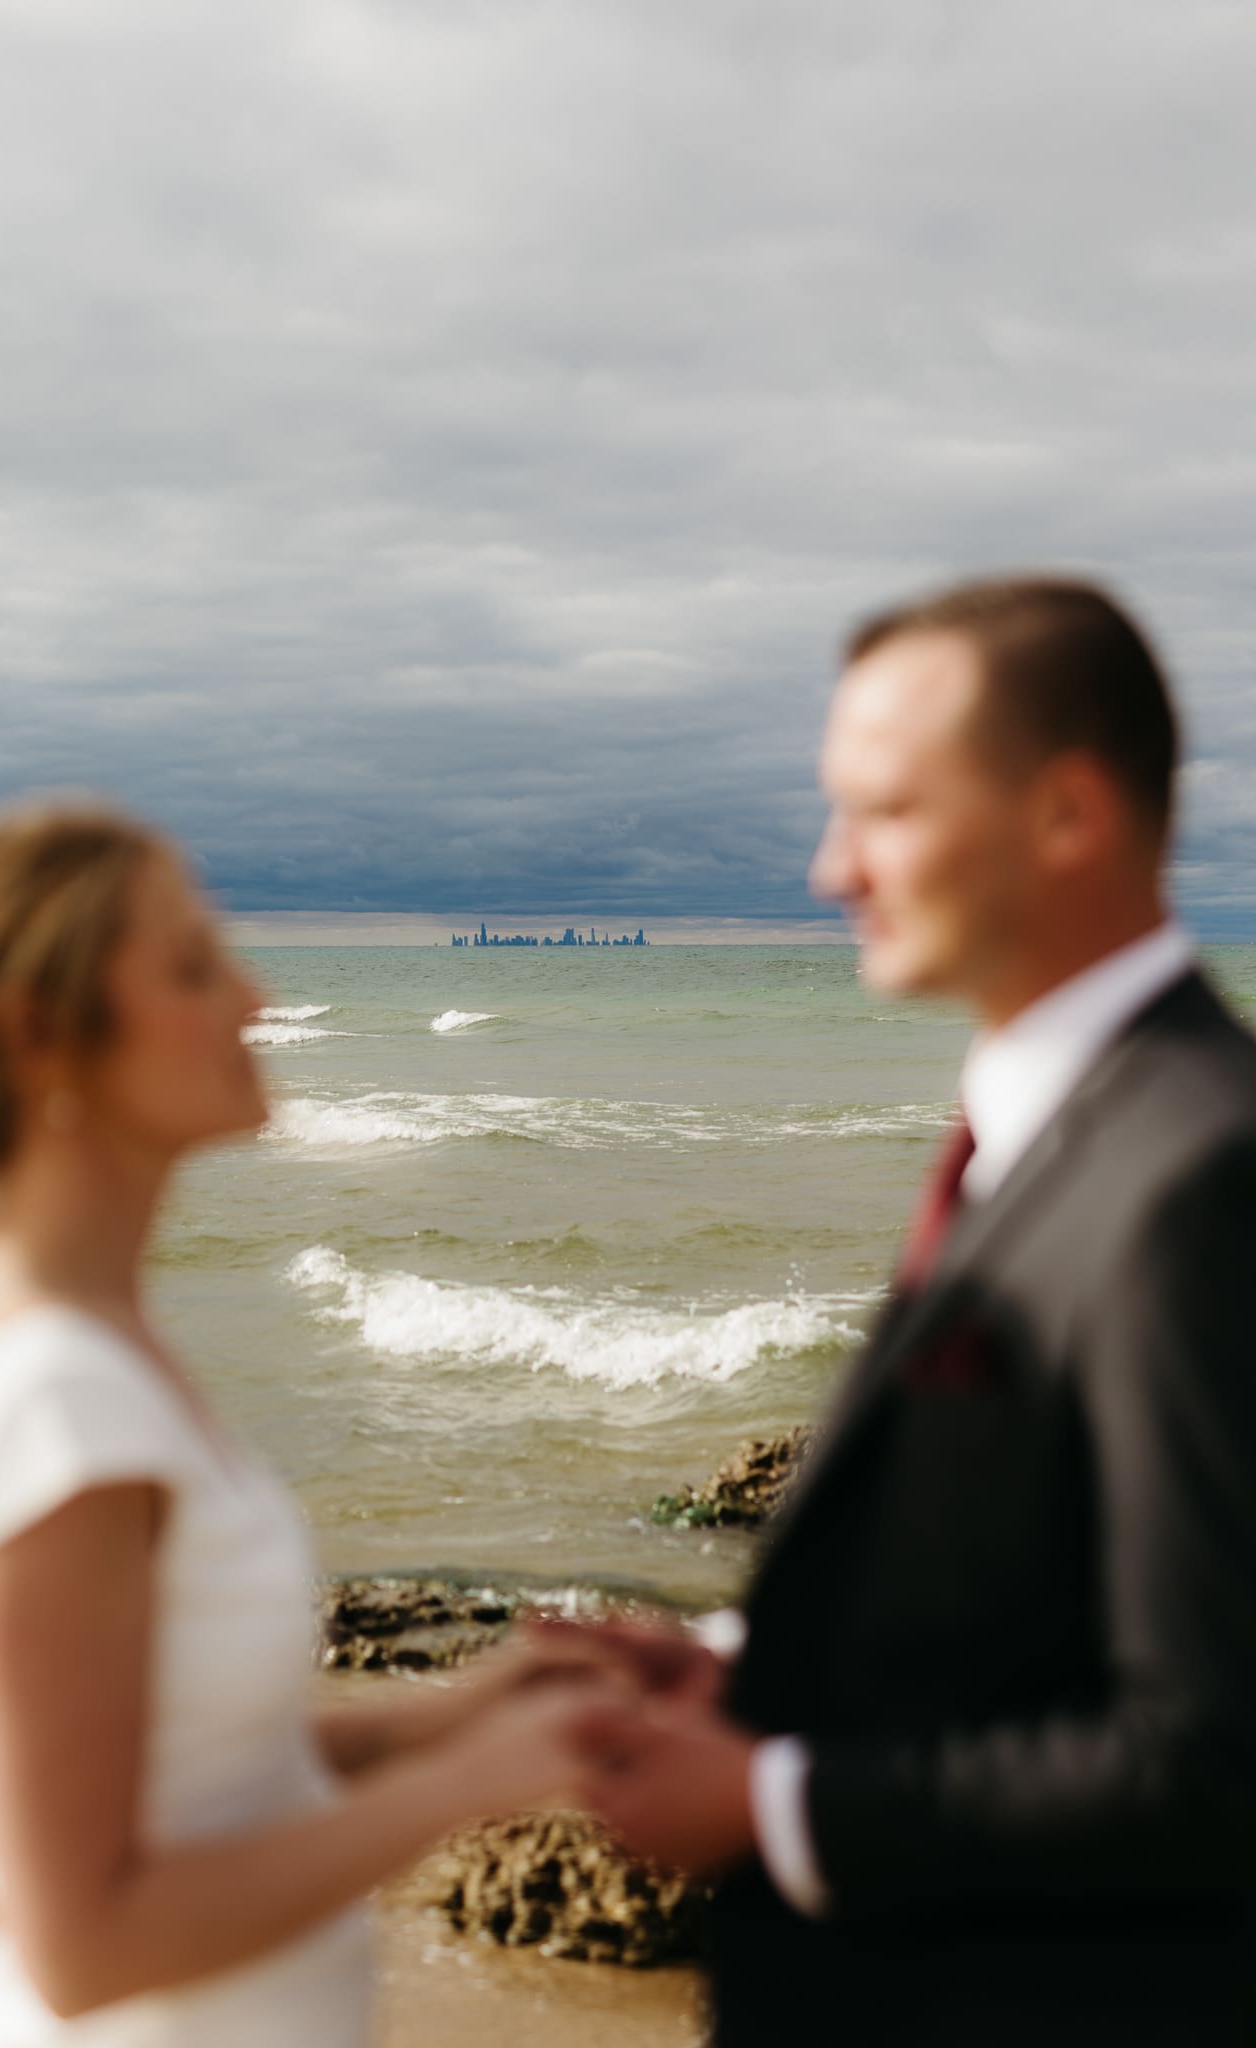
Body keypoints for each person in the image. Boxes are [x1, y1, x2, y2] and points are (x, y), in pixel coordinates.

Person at [568, 578, 1256, 2045]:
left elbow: (1213, 1752)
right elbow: (1044, 1595)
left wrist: (770, 1801)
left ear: (1067, 814)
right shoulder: (1058, 1130)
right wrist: (764, 1671)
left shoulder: (1201, 1170)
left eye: (884, 813)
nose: (831, 870)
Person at [0, 800, 610, 2046]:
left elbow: (195, 1771)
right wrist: (464, 1786)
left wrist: (463, 1710)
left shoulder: (77, 1340)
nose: (253, 996)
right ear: (40, 1032)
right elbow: (85, 1943)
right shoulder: (46, 1395)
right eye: (190, 964)